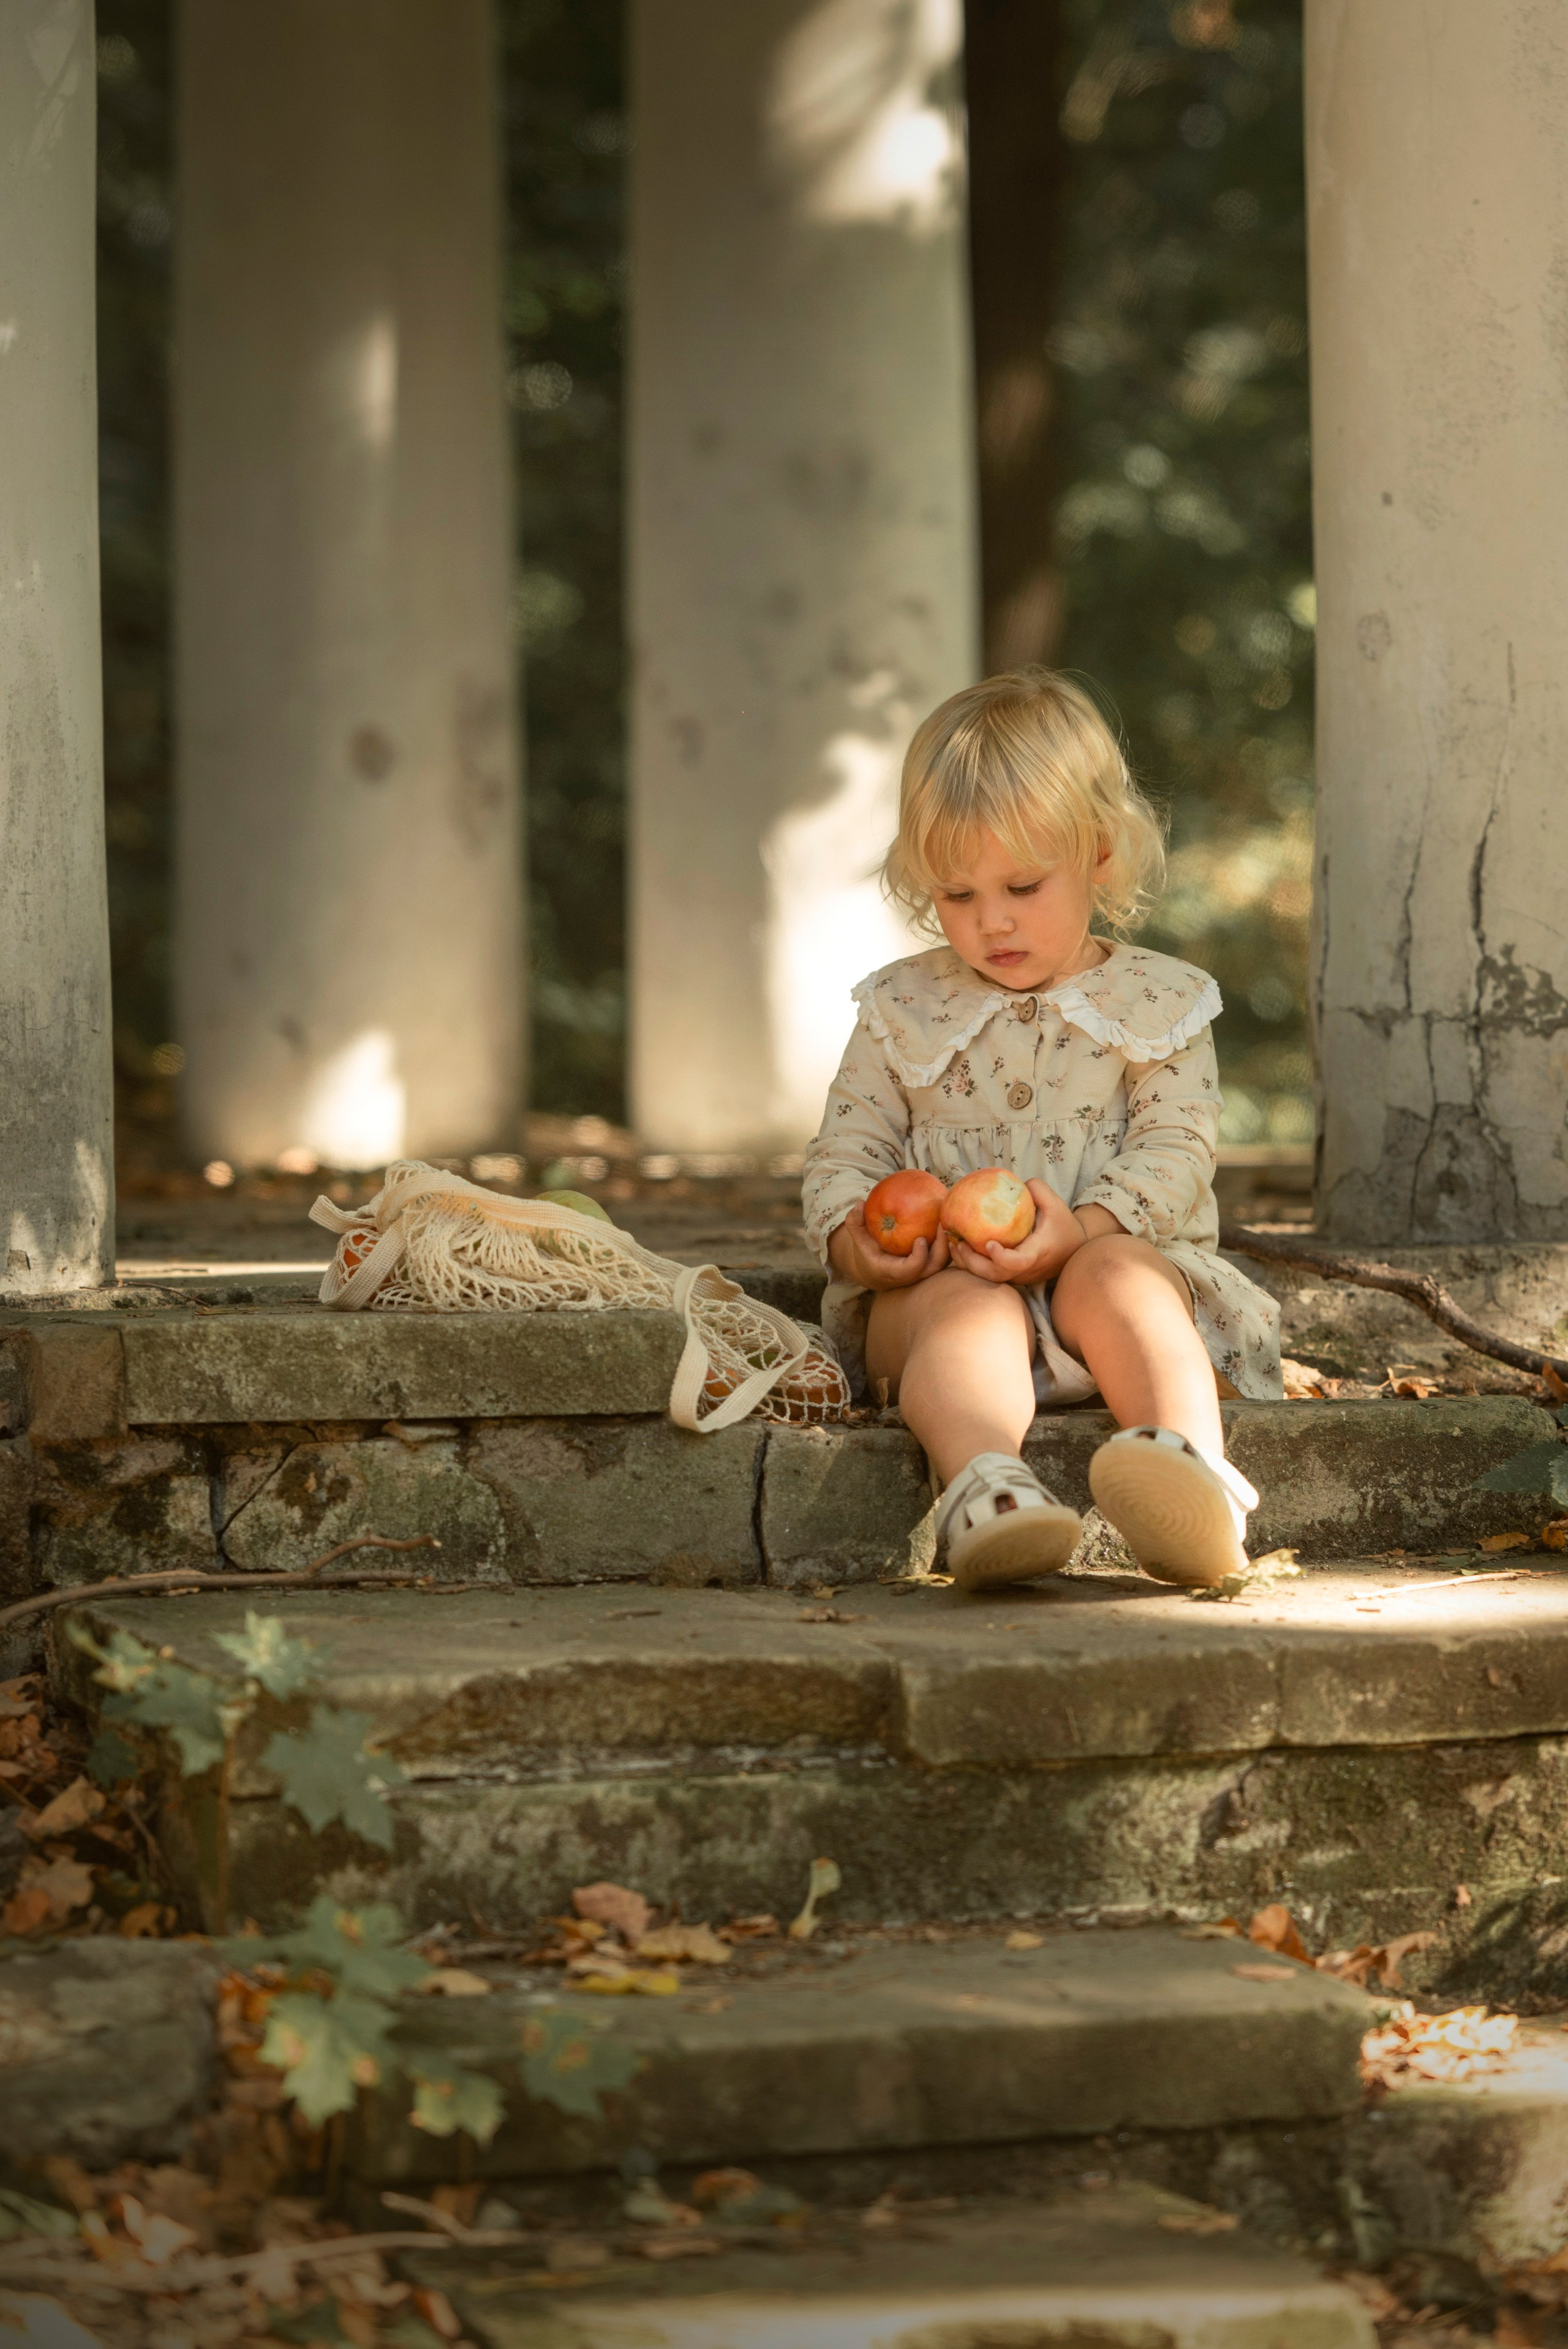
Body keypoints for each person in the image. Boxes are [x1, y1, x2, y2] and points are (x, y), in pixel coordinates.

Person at [802, 669, 1281, 1592]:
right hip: (945, 1282)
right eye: (956, 895)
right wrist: (857, 1242)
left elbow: (1177, 1148)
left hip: (1100, 1267)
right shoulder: (903, 1007)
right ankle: (988, 1487)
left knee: (1122, 1276)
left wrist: (1089, 1225)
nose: (992, 921)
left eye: (1023, 884)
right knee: (967, 1309)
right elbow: (847, 1147)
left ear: (1100, 853)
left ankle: (1191, 1479)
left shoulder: (1160, 1001)